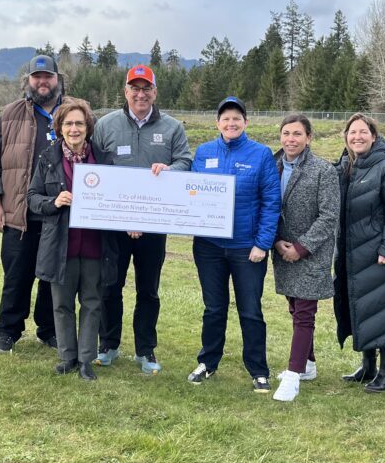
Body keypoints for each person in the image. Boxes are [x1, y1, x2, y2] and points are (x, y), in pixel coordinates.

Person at [91, 64, 192, 374]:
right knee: (110, 285)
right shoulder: (105, 125)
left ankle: (145, 350)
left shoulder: (172, 128)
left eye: (146, 88)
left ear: (155, 92)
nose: (140, 94)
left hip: (154, 224)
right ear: (125, 92)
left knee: (148, 289)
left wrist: (171, 170)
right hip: (114, 225)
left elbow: (185, 161)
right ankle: (108, 344)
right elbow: (94, 167)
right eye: (134, 88)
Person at [187, 96, 281, 392]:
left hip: (246, 247)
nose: (231, 123)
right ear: (217, 123)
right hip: (209, 247)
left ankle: (258, 369)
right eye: (226, 118)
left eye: (236, 118)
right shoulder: (203, 152)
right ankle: (208, 362)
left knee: (250, 310)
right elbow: (189, 192)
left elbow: (271, 202)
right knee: (213, 308)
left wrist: (262, 243)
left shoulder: (261, 154)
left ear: (245, 122)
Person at [27, 97, 117, 381]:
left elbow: (117, 197)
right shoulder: (48, 159)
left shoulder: (103, 159)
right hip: (60, 246)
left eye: (79, 123)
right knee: (62, 304)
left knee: (92, 302)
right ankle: (67, 357)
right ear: (60, 127)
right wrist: (53, 201)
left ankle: (86, 359)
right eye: (68, 123)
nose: (74, 129)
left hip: (94, 246)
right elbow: (32, 198)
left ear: (88, 127)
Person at [0, 54, 63, 353]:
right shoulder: (10, 113)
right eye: (36, 77)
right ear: (28, 80)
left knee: (53, 277)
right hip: (19, 212)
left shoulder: (73, 111)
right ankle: (8, 331)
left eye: (48, 76)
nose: (42, 82)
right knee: (16, 276)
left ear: (57, 79)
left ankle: (50, 329)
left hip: (59, 212)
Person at [333, 113, 385, 393]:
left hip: (378, 254)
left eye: (363, 132)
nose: (357, 137)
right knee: (362, 308)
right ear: (346, 137)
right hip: (351, 255)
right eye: (352, 132)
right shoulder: (345, 167)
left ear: (374, 136)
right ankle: (368, 366)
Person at [271, 114, 339, 402]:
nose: (291, 139)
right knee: (294, 306)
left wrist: (301, 247)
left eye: (297, 134)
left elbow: (329, 215)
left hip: (311, 253)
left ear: (309, 138)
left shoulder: (323, 170)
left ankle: (293, 374)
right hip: (282, 249)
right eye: (286, 133)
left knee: (304, 313)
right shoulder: (272, 165)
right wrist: (276, 241)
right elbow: (267, 206)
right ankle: (308, 363)